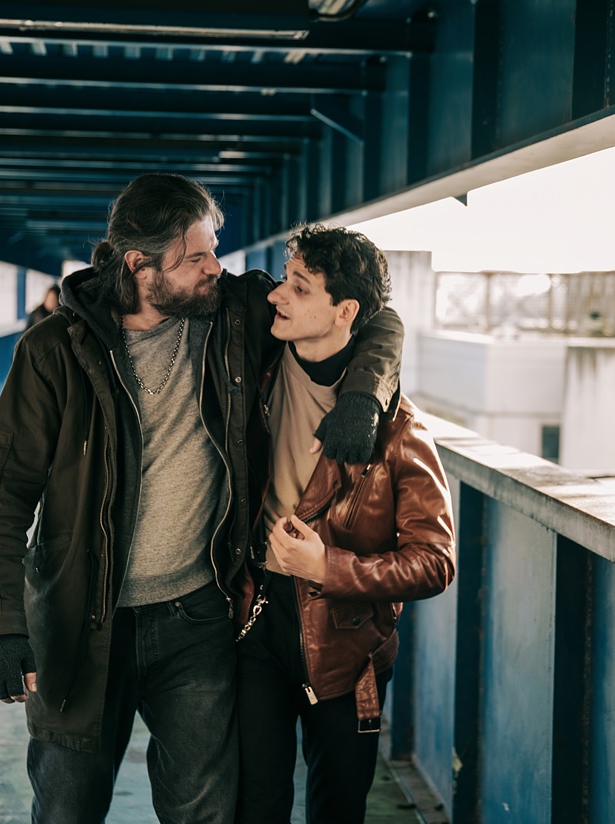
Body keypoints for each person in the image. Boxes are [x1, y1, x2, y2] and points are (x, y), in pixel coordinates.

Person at [0, 175, 403, 824]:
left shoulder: (233, 316)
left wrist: (363, 395)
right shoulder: (53, 350)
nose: (214, 268)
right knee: (66, 809)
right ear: (140, 265)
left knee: (205, 814)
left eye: (213, 250)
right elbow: (2, 493)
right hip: (83, 622)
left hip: (196, 619)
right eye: (196, 257)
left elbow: (376, 316)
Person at [234, 225, 455, 824]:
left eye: (300, 288)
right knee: (256, 804)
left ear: (344, 311)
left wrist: (325, 567)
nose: (280, 295)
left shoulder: (398, 431)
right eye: (285, 279)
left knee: (336, 809)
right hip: (257, 616)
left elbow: (435, 561)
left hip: (344, 640)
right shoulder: (255, 373)